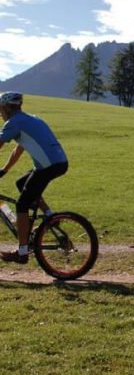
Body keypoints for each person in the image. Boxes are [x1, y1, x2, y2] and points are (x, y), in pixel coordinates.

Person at [0, 92, 68, 264]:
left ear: (7, 108)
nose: (0, 113)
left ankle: (22, 252)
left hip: (48, 166)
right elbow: (19, 149)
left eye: (0, 109)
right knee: (21, 183)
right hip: (59, 162)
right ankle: (50, 217)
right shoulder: (31, 119)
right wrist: (4, 170)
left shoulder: (13, 123)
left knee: (22, 204)